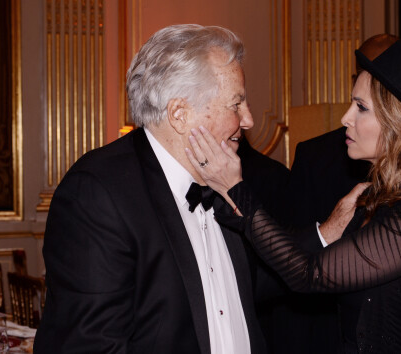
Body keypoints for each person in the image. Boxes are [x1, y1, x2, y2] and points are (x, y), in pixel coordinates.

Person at [187, 34, 401, 352]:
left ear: (398, 126)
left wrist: (236, 190)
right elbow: (305, 256)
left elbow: (309, 275)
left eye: (361, 107)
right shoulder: (380, 198)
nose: (345, 118)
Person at [34, 24, 268, 353]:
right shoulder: (98, 194)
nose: (248, 120)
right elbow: (90, 347)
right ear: (180, 114)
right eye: (236, 104)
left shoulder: (226, 180)